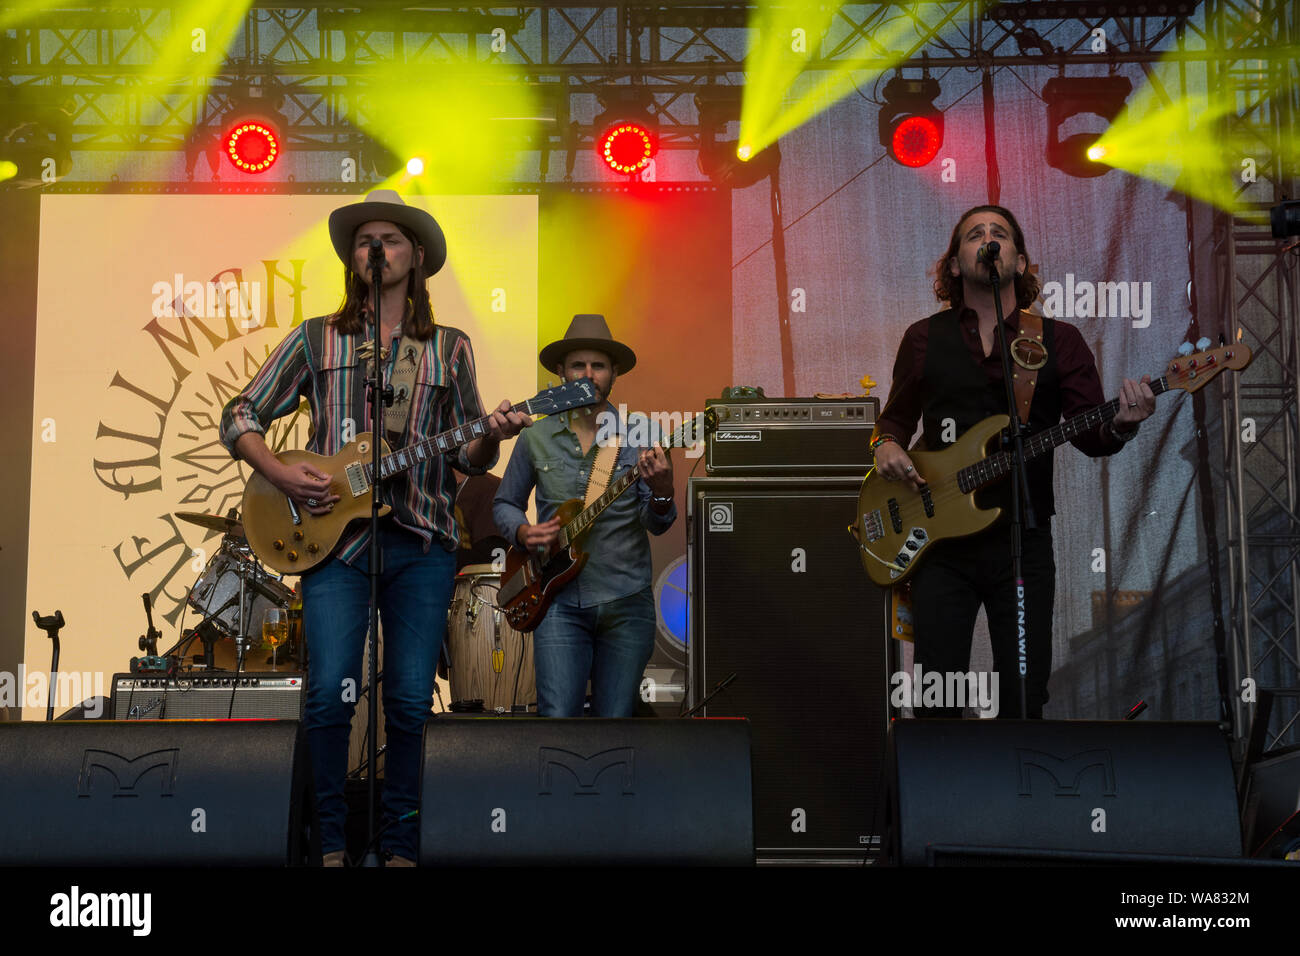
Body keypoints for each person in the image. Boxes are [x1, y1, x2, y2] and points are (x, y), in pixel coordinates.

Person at [220, 190, 529, 865]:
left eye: (388, 239)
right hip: (334, 545)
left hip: (421, 541)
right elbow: (239, 413)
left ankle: (400, 846)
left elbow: (471, 455)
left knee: (412, 702)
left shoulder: (448, 349)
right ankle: (330, 844)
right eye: (364, 241)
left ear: (414, 257)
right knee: (330, 694)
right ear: (354, 260)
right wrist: (278, 472)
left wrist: (491, 435)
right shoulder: (316, 338)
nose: (375, 250)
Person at [871, 205, 1155, 719]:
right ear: (955, 264)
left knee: (1023, 699)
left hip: (1022, 543)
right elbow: (894, 420)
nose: (988, 239)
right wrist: (885, 446)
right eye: (974, 234)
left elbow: (1090, 433)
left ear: (1019, 262)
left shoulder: (1057, 340)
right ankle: (941, 797)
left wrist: (1122, 423)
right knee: (939, 697)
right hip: (941, 544)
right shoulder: (922, 338)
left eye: (999, 233)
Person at [493, 314, 675, 717]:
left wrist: (663, 493)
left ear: (613, 375)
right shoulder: (534, 436)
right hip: (556, 602)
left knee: (616, 728)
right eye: (578, 365)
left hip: (626, 603)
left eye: (599, 366)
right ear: (561, 372)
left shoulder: (641, 435)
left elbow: (657, 523)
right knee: (557, 722)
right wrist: (523, 531)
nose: (588, 374)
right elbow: (504, 503)